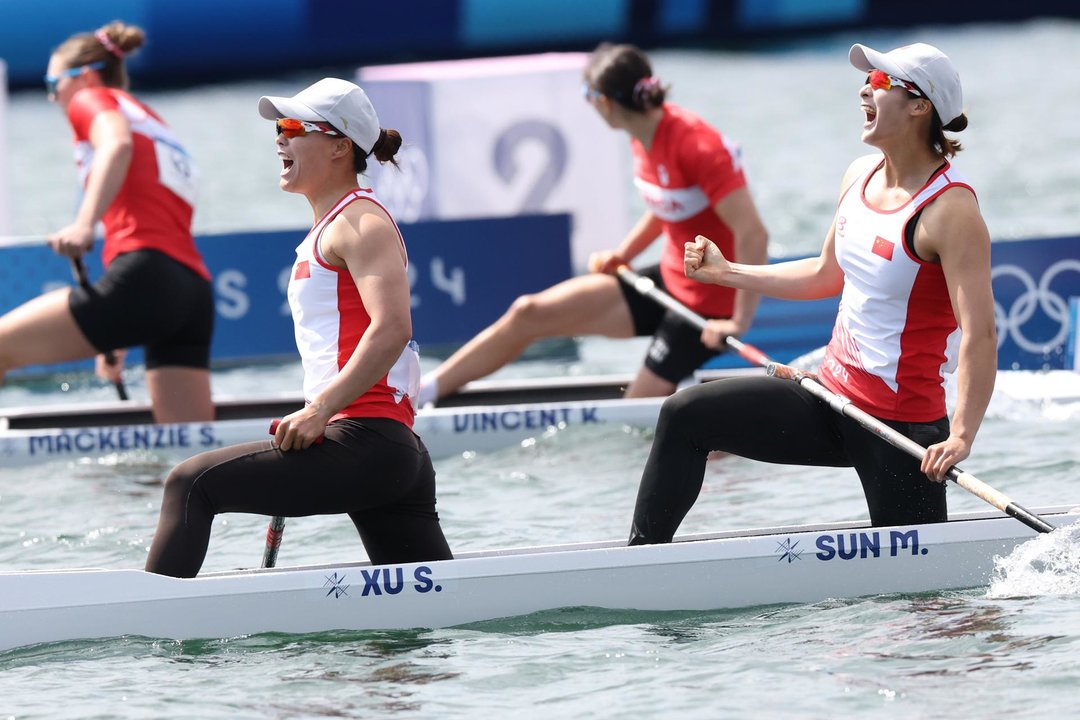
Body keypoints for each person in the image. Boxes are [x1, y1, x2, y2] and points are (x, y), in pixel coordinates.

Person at [628, 42, 997, 543]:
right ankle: (644, 561)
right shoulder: (857, 175)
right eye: (866, 80)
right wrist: (727, 271)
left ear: (920, 105)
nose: (866, 88)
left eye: (882, 82)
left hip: (898, 425)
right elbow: (827, 274)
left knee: (923, 608)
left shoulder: (950, 211)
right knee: (685, 414)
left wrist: (961, 435)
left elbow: (979, 333)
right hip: (829, 399)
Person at [145, 78, 453, 577]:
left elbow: (392, 327)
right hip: (384, 452)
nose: (279, 139)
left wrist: (320, 410)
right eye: (279, 129)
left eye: (293, 127)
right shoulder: (334, 224)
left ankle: (144, 635)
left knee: (190, 483)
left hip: (367, 443)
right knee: (425, 623)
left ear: (339, 146)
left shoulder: (360, 222)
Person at [416, 43, 768, 407]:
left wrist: (738, 322)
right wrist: (623, 254)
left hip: (709, 307)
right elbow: (667, 204)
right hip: (671, 280)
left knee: (636, 415)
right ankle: (424, 392)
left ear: (603, 102)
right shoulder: (643, 133)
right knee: (529, 312)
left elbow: (754, 233)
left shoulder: (698, 147)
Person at [0, 21, 214, 423]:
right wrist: (116, 331)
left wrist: (84, 223)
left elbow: (116, 145)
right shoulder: (152, 119)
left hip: (146, 276)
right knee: (191, 456)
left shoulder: (91, 97)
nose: (53, 98)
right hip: (192, 293)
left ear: (82, 76)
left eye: (52, 85)